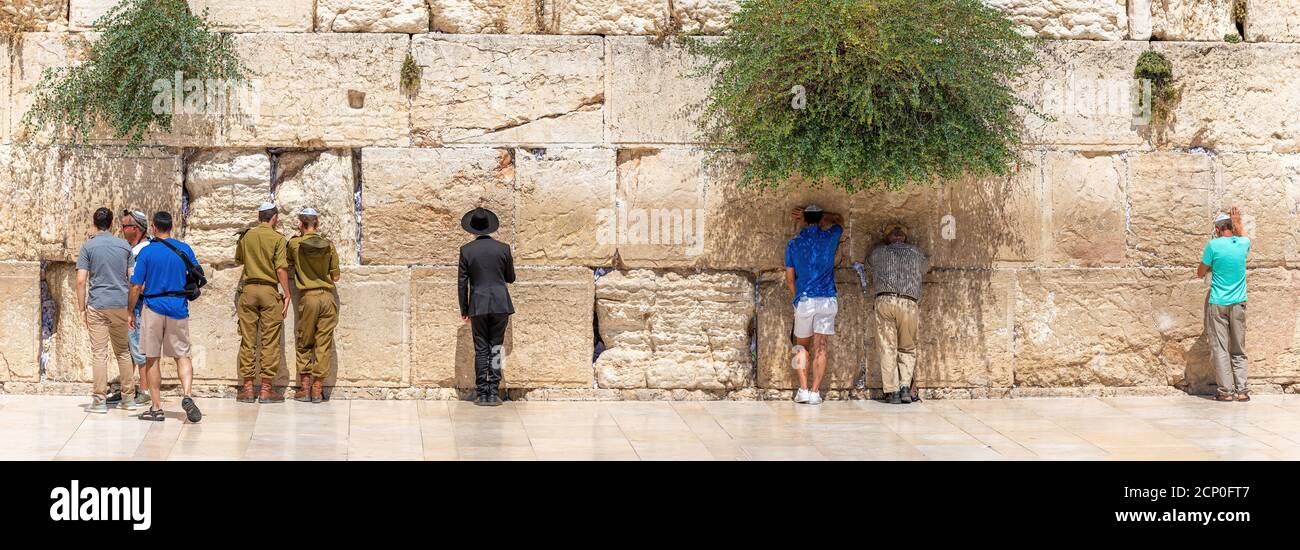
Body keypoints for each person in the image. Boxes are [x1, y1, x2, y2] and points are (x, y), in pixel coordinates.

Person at [128, 211, 202, 423]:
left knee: (152, 358)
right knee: (182, 355)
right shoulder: (184, 249)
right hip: (178, 307)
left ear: (153, 227)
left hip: (153, 306)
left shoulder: (148, 253)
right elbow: (195, 275)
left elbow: (136, 286)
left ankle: (157, 408)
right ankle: (187, 395)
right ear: (171, 226)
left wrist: (129, 311)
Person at [76, 207, 137, 413]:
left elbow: (81, 280)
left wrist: (81, 308)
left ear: (95, 224)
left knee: (99, 353)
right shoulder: (124, 247)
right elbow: (133, 279)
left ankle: (99, 401)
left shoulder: (88, 247)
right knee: (123, 352)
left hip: (97, 305)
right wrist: (130, 308)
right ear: (112, 224)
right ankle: (129, 399)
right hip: (120, 304)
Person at [784, 204, 844, 405]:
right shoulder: (829, 237)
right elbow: (839, 221)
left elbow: (790, 279)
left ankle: (802, 389)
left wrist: (796, 297)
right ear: (820, 220)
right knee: (821, 346)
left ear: (802, 220)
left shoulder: (793, 244)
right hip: (826, 298)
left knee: (801, 346)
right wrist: (821, 216)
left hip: (804, 299)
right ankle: (815, 392)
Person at [233, 202, 291, 403]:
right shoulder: (278, 239)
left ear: (259, 217)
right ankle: (266, 389)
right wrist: (287, 293)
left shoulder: (246, 236)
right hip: (268, 291)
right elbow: (281, 268)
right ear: (274, 218)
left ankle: (248, 388)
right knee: (270, 340)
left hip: (248, 290)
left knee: (248, 339)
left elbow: (239, 259)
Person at [457, 207, 515, 407]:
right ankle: (494, 391)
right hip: (501, 304)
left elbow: (462, 283)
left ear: (472, 229)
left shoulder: (466, 251)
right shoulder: (504, 248)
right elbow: (511, 278)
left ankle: (483, 392)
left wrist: (464, 309)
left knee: (481, 349)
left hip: (478, 305)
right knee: (496, 347)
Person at [866, 223, 929, 405]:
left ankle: (892, 391)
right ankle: (904, 388)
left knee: (887, 346)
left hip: (885, 300)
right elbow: (925, 267)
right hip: (908, 302)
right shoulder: (916, 252)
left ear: (888, 237)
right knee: (907, 347)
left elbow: (868, 266)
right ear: (904, 237)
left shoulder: (878, 252)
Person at [288, 208, 341, 404]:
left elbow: (288, 263)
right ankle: (317, 388)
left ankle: (304, 387)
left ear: (300, 224)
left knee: (304, 341)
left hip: (308, 298)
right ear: (317, 224)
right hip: (327, 298)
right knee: (323, 343)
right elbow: (336, 276)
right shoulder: (328, 245)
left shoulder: (294, 244)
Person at [1198, 207, 1251, 402]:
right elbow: (1240, 239)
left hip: (1218, 303)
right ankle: (1242, 391)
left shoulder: (1213, 246)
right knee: (1239, 347)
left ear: (1218, 229)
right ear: (1232, 226)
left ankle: (1226, 392)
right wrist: (1238, 224)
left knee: (1220, 348)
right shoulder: (1244, 243)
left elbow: (1200, 272)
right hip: (1239, 303)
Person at [119, 209, 152, 408]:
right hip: (132, 303)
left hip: (137, 304)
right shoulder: (135, 249)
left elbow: (138, 283)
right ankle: (128, 388)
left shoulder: (143, 250)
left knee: (139, 348)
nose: (122, 230)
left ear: (136, 228)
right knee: (129, 348)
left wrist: (130, 309)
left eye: (124, 226)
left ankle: (145, 390)